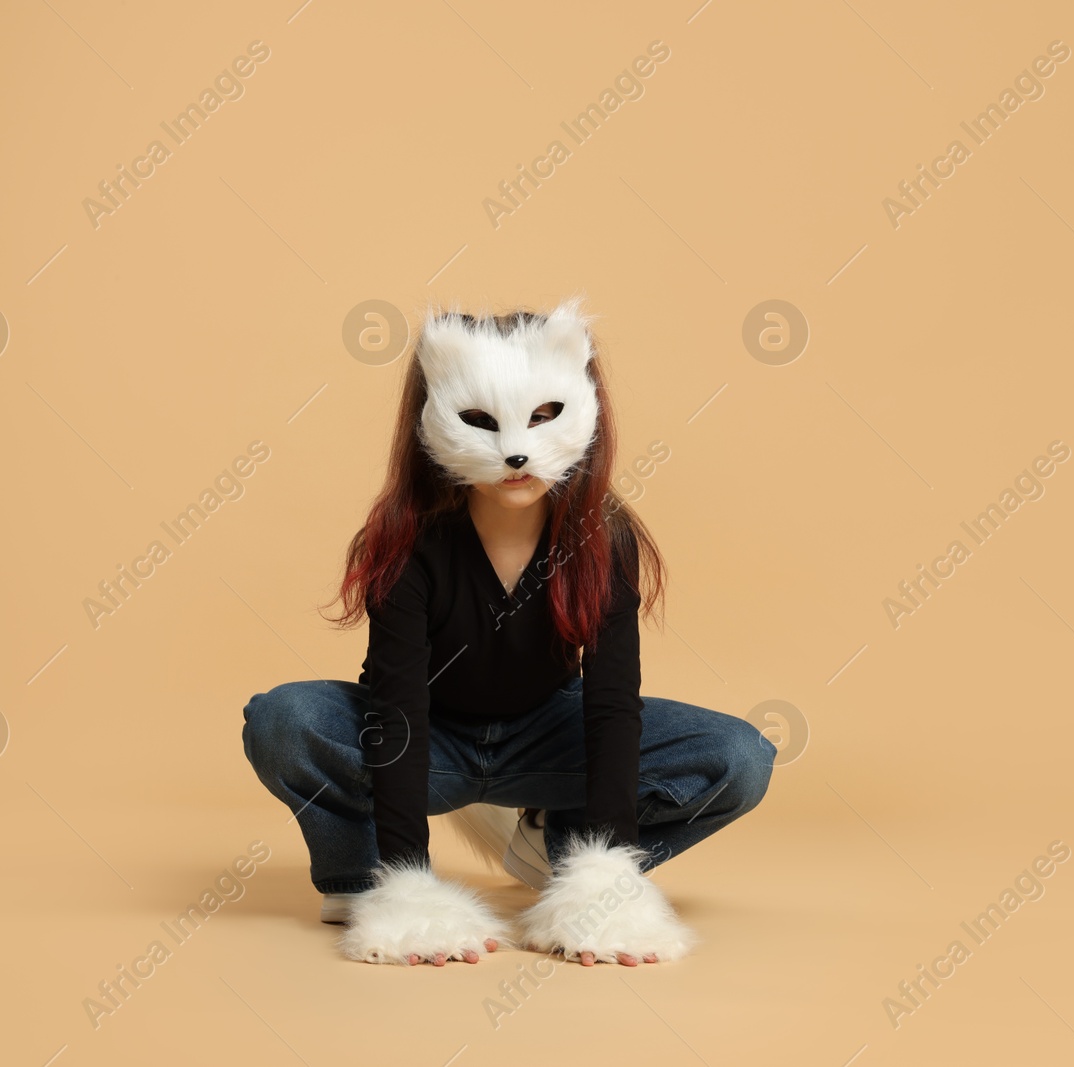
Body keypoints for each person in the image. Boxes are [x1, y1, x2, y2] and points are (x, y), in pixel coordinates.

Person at [241, 297, 775, 967]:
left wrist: (604, 879)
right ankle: (363, 872)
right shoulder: (409, 543)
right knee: (283, 719)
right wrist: (406, 876)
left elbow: (611, 705)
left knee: (741, 756)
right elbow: (397, 706)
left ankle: (559, 846)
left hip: (548, 736)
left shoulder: (604, 537)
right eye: (483, 423)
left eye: (545, 416)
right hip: (428, 740)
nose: (516, 450)